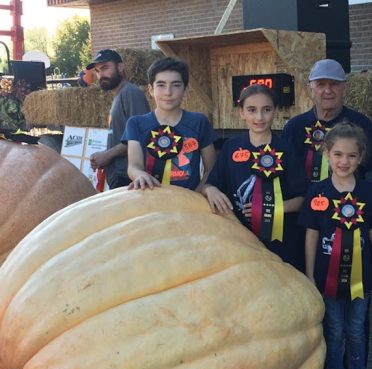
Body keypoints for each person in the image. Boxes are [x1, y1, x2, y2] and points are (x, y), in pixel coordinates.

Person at [300, 122, 372, 369]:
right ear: (326, 154)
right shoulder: (318, 193)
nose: (344, 161)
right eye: (337, 154)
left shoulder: (367, 193)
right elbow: (311, 236)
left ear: (361, 157)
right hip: (327, 281)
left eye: (351, 156)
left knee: (355, 331)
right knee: (334, 332)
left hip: (361, 281)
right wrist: (310, 274)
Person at [202, 84, 307, 269]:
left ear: (274, 111)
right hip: (241, 240)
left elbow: (303, 198)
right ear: (241, 112)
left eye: (266, 110)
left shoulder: (286, 149)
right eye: (252, 110)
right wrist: (211, 190)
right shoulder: (231, 147)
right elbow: (211, 183)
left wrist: (274, 208)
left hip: (282, 242)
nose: (259, 117)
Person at [282, 59, 372, 195]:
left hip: (350, 210)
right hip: (305, 210)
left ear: (345, 87)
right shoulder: (294, 127)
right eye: (320, 84)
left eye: (334, 84)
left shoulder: (362, 124)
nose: (328, 90)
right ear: (310, 89)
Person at [124, 57, 217, 191]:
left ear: (185, 90)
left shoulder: (199, 122)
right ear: (150, 89)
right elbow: (133, 166)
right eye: (161, 85)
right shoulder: (136, 123)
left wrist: (198, 195)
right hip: (149, 202)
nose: (168, 92)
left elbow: (211, 169)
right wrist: (139, 174)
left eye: (176, 85)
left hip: (189, 204)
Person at [87, 49, 150, 189]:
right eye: (97, 71)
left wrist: (107, 155)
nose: (101, 75)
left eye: (105, 68)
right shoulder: (119, 95)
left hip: (131, 178)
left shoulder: (131, 93)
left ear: (120, 67)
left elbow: (140, 137)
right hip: (120, 176)